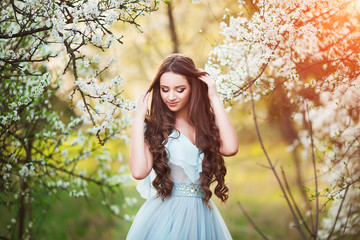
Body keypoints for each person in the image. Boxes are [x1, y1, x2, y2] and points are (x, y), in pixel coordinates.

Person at [127, 54, 238, 240]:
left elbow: (231, 148)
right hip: (166, 216)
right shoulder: (153, 128)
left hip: (202, 216)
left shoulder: (205, 125)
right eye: (164, 89)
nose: (171, 97)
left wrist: (214, 97)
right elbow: (139, 172)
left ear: (192, 88)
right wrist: (138, 119)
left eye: (180, 90)